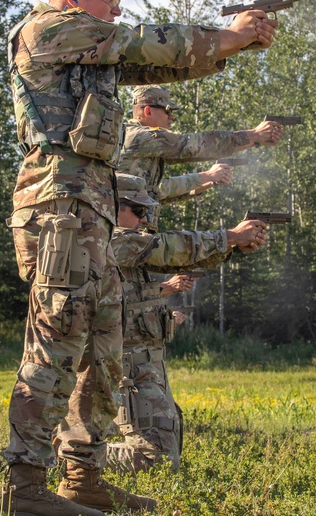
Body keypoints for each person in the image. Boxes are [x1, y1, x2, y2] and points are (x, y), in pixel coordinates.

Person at [2, 0, 277, 516]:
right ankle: (25, 484)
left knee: (101, 350)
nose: (117, 9)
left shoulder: (91, 49)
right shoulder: (49, 30)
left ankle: (83, 475)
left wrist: (237, 42)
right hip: (59, 206)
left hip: (90, 209)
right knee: (56, 343)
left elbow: (159, 65)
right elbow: (146, 44)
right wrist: (228, 36)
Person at [106, 175, 267, 473]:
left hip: (143, 364)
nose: (145, 219)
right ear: (113, 206)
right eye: (139, 211)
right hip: (127, 366)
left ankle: (76, 449)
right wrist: (229, 237)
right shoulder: (110, 239)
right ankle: (73, 457)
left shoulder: (123, 242)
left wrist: (231, 246)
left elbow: (176, 258)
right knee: (158, 460)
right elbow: (168, 248)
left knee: (166, 446)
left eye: (147, 212)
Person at [118, 84, 284, 231]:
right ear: (148, 110)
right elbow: (194, 145)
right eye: (168, 111)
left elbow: (157, 191)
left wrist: (254, 141)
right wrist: (254, 135)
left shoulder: (140, 142)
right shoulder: (139, 137)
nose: (172, 117)